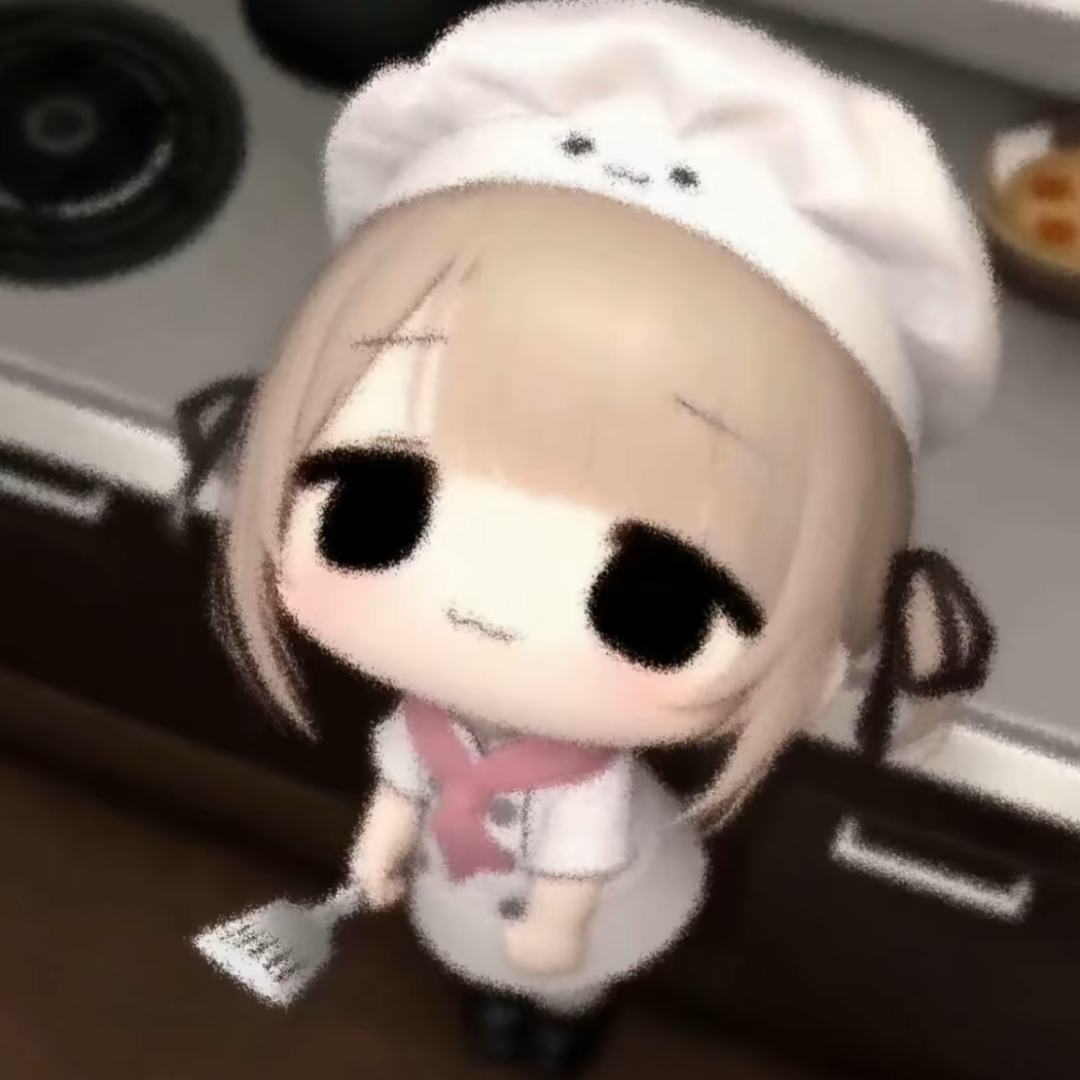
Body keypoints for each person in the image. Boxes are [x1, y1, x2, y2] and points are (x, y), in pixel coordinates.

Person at [218, 1, 999, 1072]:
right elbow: (402, 787)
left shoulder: (581, 791)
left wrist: (552, 935)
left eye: (656, 600)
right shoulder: (424, 730)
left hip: (592, 909)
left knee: (567, 971)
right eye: (376, 508)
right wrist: (378, 854)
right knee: (481, 954)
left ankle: (563, 1015)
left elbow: (570, 886)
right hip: (461, 888)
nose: (485, 608)